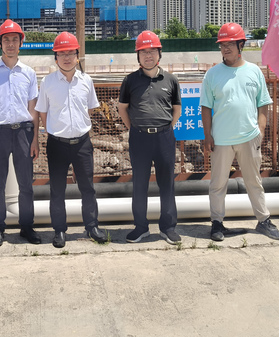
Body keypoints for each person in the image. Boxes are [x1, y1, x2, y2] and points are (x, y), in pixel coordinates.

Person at [200, 22, 279, 242]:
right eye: (222, 45)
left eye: (230, 44)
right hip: (221, 139)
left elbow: (263, 104)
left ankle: (264, 220)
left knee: (254, 181)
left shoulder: (254, 72)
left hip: (249, 137)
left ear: (241, 45)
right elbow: (206, 107)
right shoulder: (212, 75)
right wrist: (207, 136)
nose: (225, 48)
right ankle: (217, 223)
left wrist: (260, 131)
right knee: (217, 184)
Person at [35, 32, 108, 248]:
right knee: (57, 190)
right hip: (57, 144)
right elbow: (43, 112)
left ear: (77, 55)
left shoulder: (86, 81)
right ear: (55, 57)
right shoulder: (47, 82)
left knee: (88, 187)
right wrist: (53, 131)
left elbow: (89, 109)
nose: (66, 57)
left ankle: (92, 226)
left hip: (82, 143)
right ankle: (59, 230)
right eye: (61, 53)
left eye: (70, 53)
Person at [0, 19, 40, 247]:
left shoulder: (29, 73)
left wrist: (35, 139)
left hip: (23, 132)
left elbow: (33, 109)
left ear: (21, 43)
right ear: (0, 43)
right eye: (6, 40)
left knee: (26, 184)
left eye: (15, 39)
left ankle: (27, 226)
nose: (11, 44)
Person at [118, 30, 182, 244]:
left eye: (152, 51)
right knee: (139, 184)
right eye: (143, 52)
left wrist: (166, 129)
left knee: (167, 184)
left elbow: (177, 109)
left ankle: (168, 227)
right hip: (139, 138)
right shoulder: (130, 81)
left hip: (164, 138)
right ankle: (140, 227)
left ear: (159, 54)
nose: (148, 55)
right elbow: (122, 108)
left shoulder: (171, 80)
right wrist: (134, 128)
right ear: (138, 55)